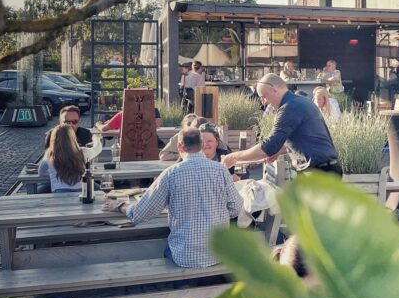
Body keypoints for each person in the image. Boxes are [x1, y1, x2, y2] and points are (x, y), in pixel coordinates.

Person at [103, 127, 242, 268]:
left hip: (185, 256)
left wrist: (120, 206)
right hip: (219, 254)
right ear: (201, 145)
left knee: (166, 246)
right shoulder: (221, 170)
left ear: (180, 146)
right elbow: (236, 208)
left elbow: (140, 213)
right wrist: (215, 213)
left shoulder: (171, 174)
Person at [222, 74, 341, 176]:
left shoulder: (289, 107)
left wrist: (234, 157)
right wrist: (278, 152)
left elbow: (269, 145)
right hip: (326, 169)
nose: (264, 103)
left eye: (264, 97)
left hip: (318, 172)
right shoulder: (302, 101)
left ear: (274, 90)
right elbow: (305, 140)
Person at [38, 125, 86, 193]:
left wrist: (53, 173)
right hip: (80, 190)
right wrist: (96, 138)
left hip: (59, 191)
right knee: (97, 187)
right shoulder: (81, 151)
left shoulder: (49, 153)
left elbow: (41, 173)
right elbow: (97, 148)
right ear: (73, 138)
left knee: (39, 189)